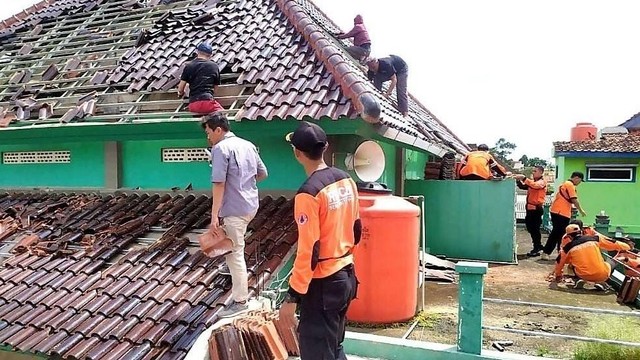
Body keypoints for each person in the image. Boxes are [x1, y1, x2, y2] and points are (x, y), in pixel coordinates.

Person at [279, 121, 361, 360]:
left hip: (323, 284)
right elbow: (356, 228)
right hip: (346, 275)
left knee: (318, 353)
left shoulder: (308, 193)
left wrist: (292, 296)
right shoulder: (346, 180)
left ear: (297, 153)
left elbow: (309, 250)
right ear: (325, 147)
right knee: (334, 348)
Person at [200, 112, 268, 318]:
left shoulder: (220, 148)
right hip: (250, 205)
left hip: (234, 208)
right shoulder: (247, 144)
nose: (208, 138)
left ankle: (240, 301)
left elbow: (219, 183)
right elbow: (263, 173)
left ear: (218, 130)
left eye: (209, 133)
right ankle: (241, 294)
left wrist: (214, 217)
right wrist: (244, 182)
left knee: (234, 253)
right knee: (234, 249)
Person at [553, 224, 630, 290]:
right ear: (581, 232)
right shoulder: (595, 239)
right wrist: (627, 247)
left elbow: (559, 262)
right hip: (602, 274)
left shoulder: (567, 248)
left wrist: (558, 275)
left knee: (572, 262)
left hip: (583, 274)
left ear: (569, 236)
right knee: (613, 260)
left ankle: (580, 279)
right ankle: (601, 281)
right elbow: (613, 242)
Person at [541, 171, 586, 260]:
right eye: (580, 181)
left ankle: (560, 252)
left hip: (559, 211)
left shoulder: (565, 184)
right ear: (576, 178)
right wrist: (581, 210)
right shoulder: (570, 185)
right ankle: (547, 252)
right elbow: (574, 199)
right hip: (561, 212)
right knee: (557, 233)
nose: (579, 183)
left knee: (560, 233)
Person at [178, 42, 223, 115]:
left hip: (193, 105)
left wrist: (181, 93)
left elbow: (180, 88)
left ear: (197, 52)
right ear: (210, 55)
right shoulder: (214, 66)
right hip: (207, 102)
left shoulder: (189, 66)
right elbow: (216, 87)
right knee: (223, 117)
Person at [515, 165, 547, 257]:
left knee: (535, 229)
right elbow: (523, 186)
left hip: (536, 208)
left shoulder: (542, 182)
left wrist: (524, 178)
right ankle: (538, 245)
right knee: (530, 228)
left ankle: (537, 247)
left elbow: (535, 186)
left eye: (535, 171)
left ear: (541, 172)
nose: (533, 173)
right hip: (530, 208)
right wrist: (517, 179)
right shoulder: (533, 182)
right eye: (533, 171)